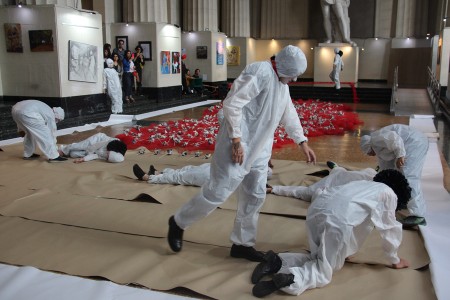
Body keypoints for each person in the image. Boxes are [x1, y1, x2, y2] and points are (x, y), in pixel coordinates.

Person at [167, 45, 317, 262]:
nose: (293, 80)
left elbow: (288, 112)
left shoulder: (281, 83)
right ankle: (179, 222)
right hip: (237, 145)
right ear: (284, 67)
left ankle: (242, 244)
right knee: (217, 192)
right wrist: (237, 141)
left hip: (260, 149)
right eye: (293, 75)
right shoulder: (260, 72)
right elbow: (232, 105)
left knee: (255, 196)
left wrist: (302, 141)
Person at [250, 169, 411, 298]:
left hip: (317, 208)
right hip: (337, 219)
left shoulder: (364, 184)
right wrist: (394, 259)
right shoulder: (389, 194)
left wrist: (344, 251)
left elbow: (359, 226)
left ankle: (276, 261)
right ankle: (291, 279)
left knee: (318, 257)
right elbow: (390, 229)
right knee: (323, 270)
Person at [360, 124, 429, 227]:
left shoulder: (376, 139)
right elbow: (387, 170)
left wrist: (400, 155)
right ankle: (403, 200)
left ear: (369, 147)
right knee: (396, 176)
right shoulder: (379, 148)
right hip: (410, 142)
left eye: (369, 152)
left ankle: (417, 214)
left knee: (409, 175)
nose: (370, 155)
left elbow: (394, 138)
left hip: (413, 142)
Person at [268, 161, 376, 201]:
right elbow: (301, 192)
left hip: (344, 183)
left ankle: (336, 168)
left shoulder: (372, 178)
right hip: (339, 180)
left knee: (338, 172)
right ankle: (335, 168)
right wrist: (275, 189)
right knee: (338, 172)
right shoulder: (370, 175)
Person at [132, 162, 273, 187]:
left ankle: (148, 178)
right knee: (188, 169)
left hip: (217, 177)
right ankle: (158, 173)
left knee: (182, 177)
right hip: (217, 168)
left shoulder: (250, 179)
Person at [58, 132, 127, 163]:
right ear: (113, 150)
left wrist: (84, 159)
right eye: (109, 153)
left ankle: (69, 151)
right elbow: (95, 146)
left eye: (108, 156)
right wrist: (88, 152)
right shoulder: (110, 142)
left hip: (94, 151)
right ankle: (63, 149)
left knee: (73, 154)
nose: (107, 154)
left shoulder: (108, 156)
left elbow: (96, 156)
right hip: (96, 141)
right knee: (81, 146)